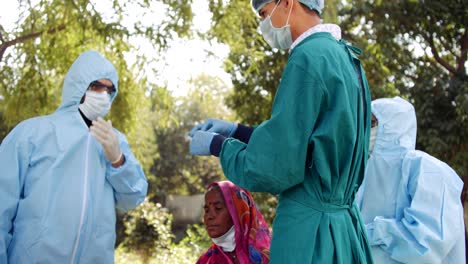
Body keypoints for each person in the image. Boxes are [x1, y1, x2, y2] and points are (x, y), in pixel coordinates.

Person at [188, 0, 374, 263]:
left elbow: (278, 164)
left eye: (264, 14)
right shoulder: (346, 58)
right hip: (343, 229)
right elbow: (311, 144)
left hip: (310, 233)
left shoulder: (307, 58)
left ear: (286, 3)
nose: (264, 24)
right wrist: (237, 131)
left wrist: (220, 146)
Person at [0, 50, 148, 263]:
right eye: (96, 86)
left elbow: (132, 199)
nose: (103, 95)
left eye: (109, 90)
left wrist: (118, 160)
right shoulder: (32, 133)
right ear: (78, 86)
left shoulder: (115, 141)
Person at [355, 96, 465, 263]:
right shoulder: (363, 171)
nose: (364, 130)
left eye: (371, 124)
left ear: (393, 126)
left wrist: (367, 233)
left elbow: (427, 243)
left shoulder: (426, 169)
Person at [197, 181, 271, 264]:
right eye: (206, 210)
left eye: (218, 208)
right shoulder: (207, 260)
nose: (209, 216)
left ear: (238, 212)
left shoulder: (270, 255)